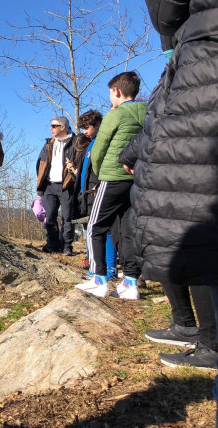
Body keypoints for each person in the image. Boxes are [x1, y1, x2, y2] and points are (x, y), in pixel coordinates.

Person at [120, 0, 218, 371]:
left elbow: (163, 1)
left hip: (206, 59)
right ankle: (194, 331)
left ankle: (208, 342)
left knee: (189, 223)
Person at [75, 72, 145, 300]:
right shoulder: (147, 112)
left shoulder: (115, 115)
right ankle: (131, 283)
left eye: (110, 93)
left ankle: (99, 279)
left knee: (95, 226)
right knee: (128, 230)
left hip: (112, 178)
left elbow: (99, 148)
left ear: (116, 91)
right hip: (136, 180)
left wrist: (98, 171)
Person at [68, 110, 119, 281]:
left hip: (99, 191)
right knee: (94, 230)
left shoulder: (102, 142)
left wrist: (101, 183)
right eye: (82, 128)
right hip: (88, 193)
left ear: (98, 125)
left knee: (105, 230)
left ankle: (109, 268)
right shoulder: (90, 144)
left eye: (87, 128)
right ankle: (96, 267)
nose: (84, 132)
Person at [36, 116, 76, 255]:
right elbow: (40, 165)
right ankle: (52, 244)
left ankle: (66, 246)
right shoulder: (49, 144)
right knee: (50, 216)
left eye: (54, 126)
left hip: (67, 185)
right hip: (49, 185)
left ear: (63, 127)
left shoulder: (75, 143)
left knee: (67, 217)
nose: (50, 128)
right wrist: (40, 187)